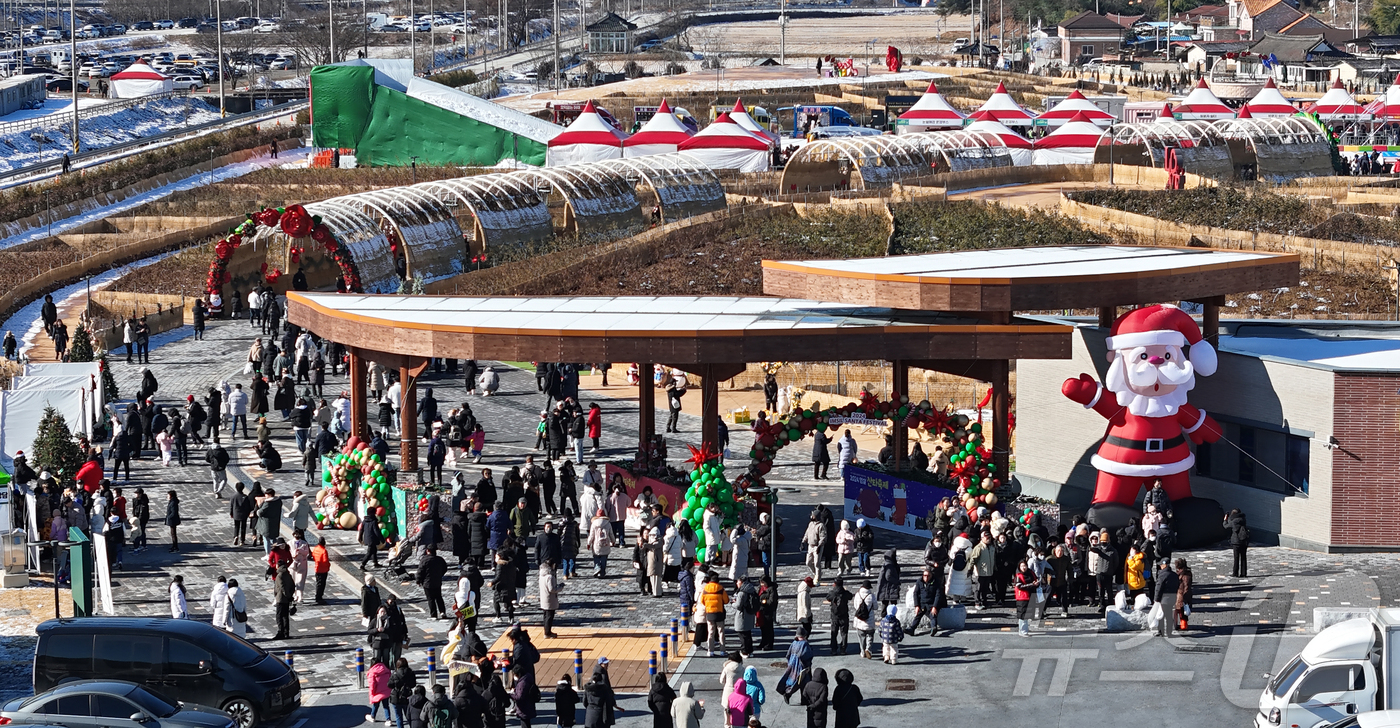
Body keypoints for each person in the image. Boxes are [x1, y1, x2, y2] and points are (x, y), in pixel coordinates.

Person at [777, 628, 813, 703]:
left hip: (792, 665)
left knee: (793, 681)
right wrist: (808, 665)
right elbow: (806, 656)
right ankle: (801, 698)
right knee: (804, 682)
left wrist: (790, 663)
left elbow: (788, 655)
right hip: (801, 666)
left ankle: (789, 693)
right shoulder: (804, 644)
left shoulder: (794, 643)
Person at [418, 546, 449, 619]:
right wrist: (440, 575)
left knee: (430, 599)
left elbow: (420, 571)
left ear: (428, 551)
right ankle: (442, 612)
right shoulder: (440, 559)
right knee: (439, 597)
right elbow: (445, 568)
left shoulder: (424, 560)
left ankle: (433, 614)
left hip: (427, 583)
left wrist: (418, 580)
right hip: (437, 581)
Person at [826, 576, 852, 656]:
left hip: (835, 616)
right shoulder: (845, 593)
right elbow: (850, 596)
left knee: (834, 633)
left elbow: (827, 597)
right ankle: (843, 649)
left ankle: (834, 649)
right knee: (844, 633)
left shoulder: (832, 593)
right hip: (844, 615)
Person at [389, 657, 417, 728]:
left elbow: (389, 684)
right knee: (409, 716)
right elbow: (413, 684)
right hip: (407, 696)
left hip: (396, 697)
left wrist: (396, 684)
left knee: (398, 716)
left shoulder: (395, 673)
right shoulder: (410, 672)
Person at [1014, 559, 1037, 637]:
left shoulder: (1031, 573)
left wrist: (1036, 583)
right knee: (1023, 614)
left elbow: (1035, 579)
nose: (1023, 567)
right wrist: (1032, 585)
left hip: (1031, 595)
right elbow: (1019, 586)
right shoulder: (1018, 576)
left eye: (1025, 565)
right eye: (1022, 566)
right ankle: (1023, 630)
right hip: (1022, 597)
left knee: (1027, 614)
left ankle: (1024, 628)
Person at [802, 513, 826, 584]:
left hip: (817, 546)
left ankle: (817, 578)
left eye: (813, 515)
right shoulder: (810, 524)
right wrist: (803, 541)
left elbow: (823, 537)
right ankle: (816, 573)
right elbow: (807, 533)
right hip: (810, 546)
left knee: (817, 563)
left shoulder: (821, 525)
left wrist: (819, 546)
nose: (811, 516)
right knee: (808, 562)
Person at [1226, 509, 1249, 578]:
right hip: (1244, 540)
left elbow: (1226, 526)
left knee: (1236, 558)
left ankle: (1235, 573)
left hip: (1236, 541)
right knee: (1243, 557)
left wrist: (1225, 519)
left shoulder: (1234, 521)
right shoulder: (1243, 519)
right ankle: (1243, 573)